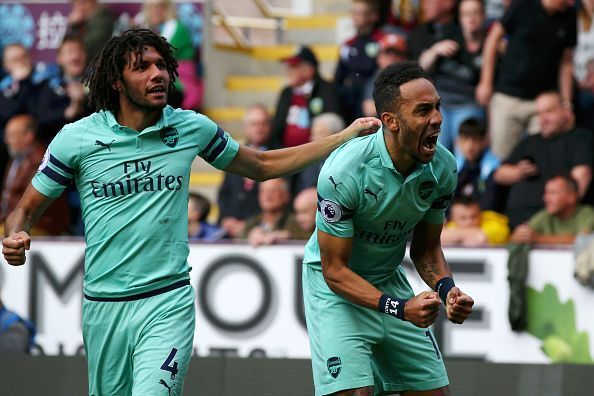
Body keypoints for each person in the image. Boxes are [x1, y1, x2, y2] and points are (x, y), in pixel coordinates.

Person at [1, 29, 380, 396]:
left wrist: (342, 136)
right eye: (142, 67)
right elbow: (25, 209)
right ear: (116, 82)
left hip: (167, 300)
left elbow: (262, 165)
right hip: (103, 307)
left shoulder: (189, 127)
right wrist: (16, 235)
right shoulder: (77, 139)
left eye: (162, 65)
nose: (158, 74)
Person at [302, 61, 473, 395]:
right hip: (336, 291)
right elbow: (334, 271)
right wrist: (400, 308)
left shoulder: (443, 166)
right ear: (391, 122)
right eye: (423, 111)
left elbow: (426, 249)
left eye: (437, 107)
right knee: (357, 392)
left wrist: (447, 290)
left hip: (388, 281)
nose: (437, 119)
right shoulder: (345, 172)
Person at [476, 0, 576, 160]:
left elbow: (566, 62)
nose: (570, 2)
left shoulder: (569, 15)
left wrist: (566, 103)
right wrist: (485, 81)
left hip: (542, 103)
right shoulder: (522, 5)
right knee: (502, 158)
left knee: (541, 159)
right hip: (508, 96)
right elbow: (493, 39)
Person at [493, 91, 593, 229]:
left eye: (549, 111)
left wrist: (552, 220)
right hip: (512, 222)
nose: (543, 118)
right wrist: (518, 172)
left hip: (551, 224)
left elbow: (579, 182)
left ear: (566, 110)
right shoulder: (529, 141)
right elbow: (499, 174)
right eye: (539, 114)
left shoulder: (580, 138)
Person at [419, 0, 487, 151]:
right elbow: (422, 67)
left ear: (484, 16)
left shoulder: (489, 43)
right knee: (436, 153)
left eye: (475, 13)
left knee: (464, 155)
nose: (471, 18)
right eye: (466, 14)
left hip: (468, 105)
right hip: (440, 106)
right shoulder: (449, 34)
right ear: (460, 17)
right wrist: (434, 50)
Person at [0, 114, 70, 236]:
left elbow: (32, 203)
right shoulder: (16, 159)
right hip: (11, 223)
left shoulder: (39, 160)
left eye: (12, 135)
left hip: (39, 226)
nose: (7, 140)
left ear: (28, 136)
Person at [217, 104, 271, 238]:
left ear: (269, 126)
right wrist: (226, 219)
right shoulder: (234, 154)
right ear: (246, 127)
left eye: (263, 123)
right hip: (231, 230)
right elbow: (224, 193)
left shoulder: (279, 154)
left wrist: (247, 226)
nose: (258, 128)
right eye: (254, 124)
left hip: (260, 232)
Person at [270, 45, 340, 149]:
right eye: (288, 66)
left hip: (315, 155)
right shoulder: (286, 93)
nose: (288, 71)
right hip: (285, 152)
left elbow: (333, 125)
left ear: (309, 70)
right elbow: (277, 126)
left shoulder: (326, 90)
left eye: (294, 66)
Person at [142, 0, 202, 110]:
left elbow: (164, 54)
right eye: (153, 8)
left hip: (180, 76)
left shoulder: (177, 27)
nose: (157, 11)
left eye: (161, 7)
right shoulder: (147, 27)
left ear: (168, 9)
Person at [35, 35, 93, 144]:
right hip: (56, 147)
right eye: (70, 51)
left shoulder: (98, 85)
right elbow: (41, 119)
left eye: (80, 51)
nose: (76, 56)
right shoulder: (48, 85)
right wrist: (67, 112)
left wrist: (82, 102)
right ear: (59, 58)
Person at [334, 0, 384, 123]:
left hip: (372, 99)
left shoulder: (383, 41)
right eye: (354, 13)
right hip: (349, 101)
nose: (355, 17)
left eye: (360, 13)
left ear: (374, 16)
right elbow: (338, 77)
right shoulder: (347, 45)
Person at [510, 174, 594, 245]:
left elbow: (584, 241)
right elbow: (521, 237)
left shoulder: (586, 214)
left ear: (572, 197)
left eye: (553, 193)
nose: (546, 198)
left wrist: (539, 239)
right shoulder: (545, 216)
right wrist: (518, 236)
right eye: (546, 193)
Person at [240, 178, 306, 246]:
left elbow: (309, 239)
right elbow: (238, 243)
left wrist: (288, 236)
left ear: (286, 196)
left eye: (273, 191)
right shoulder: (252, 222)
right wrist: (250, 235)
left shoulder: (295, 221)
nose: (268, 195)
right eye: (263, 191)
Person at [454, 118, 501, 211]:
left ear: (484, 142)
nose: (469, 146)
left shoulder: (492, 167)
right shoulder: (454, 165)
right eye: (465, 140)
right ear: (458, 142)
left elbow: (489, 203)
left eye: (475, 140)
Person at [362, 32, 409, 117]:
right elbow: (369, 110)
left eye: (397, 54)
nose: (392, 58)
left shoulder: (412, 79)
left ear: (404, 58)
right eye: (388, 53)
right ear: (379, 57)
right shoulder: (374, 81)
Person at [441, 195, 510, 246]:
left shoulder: (492, 220)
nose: (469, 222)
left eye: (474, 217)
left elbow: (480, 238)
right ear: (453, 218)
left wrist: (456, 236)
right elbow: (440, 237)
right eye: (463, 218)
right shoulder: (451, 224)